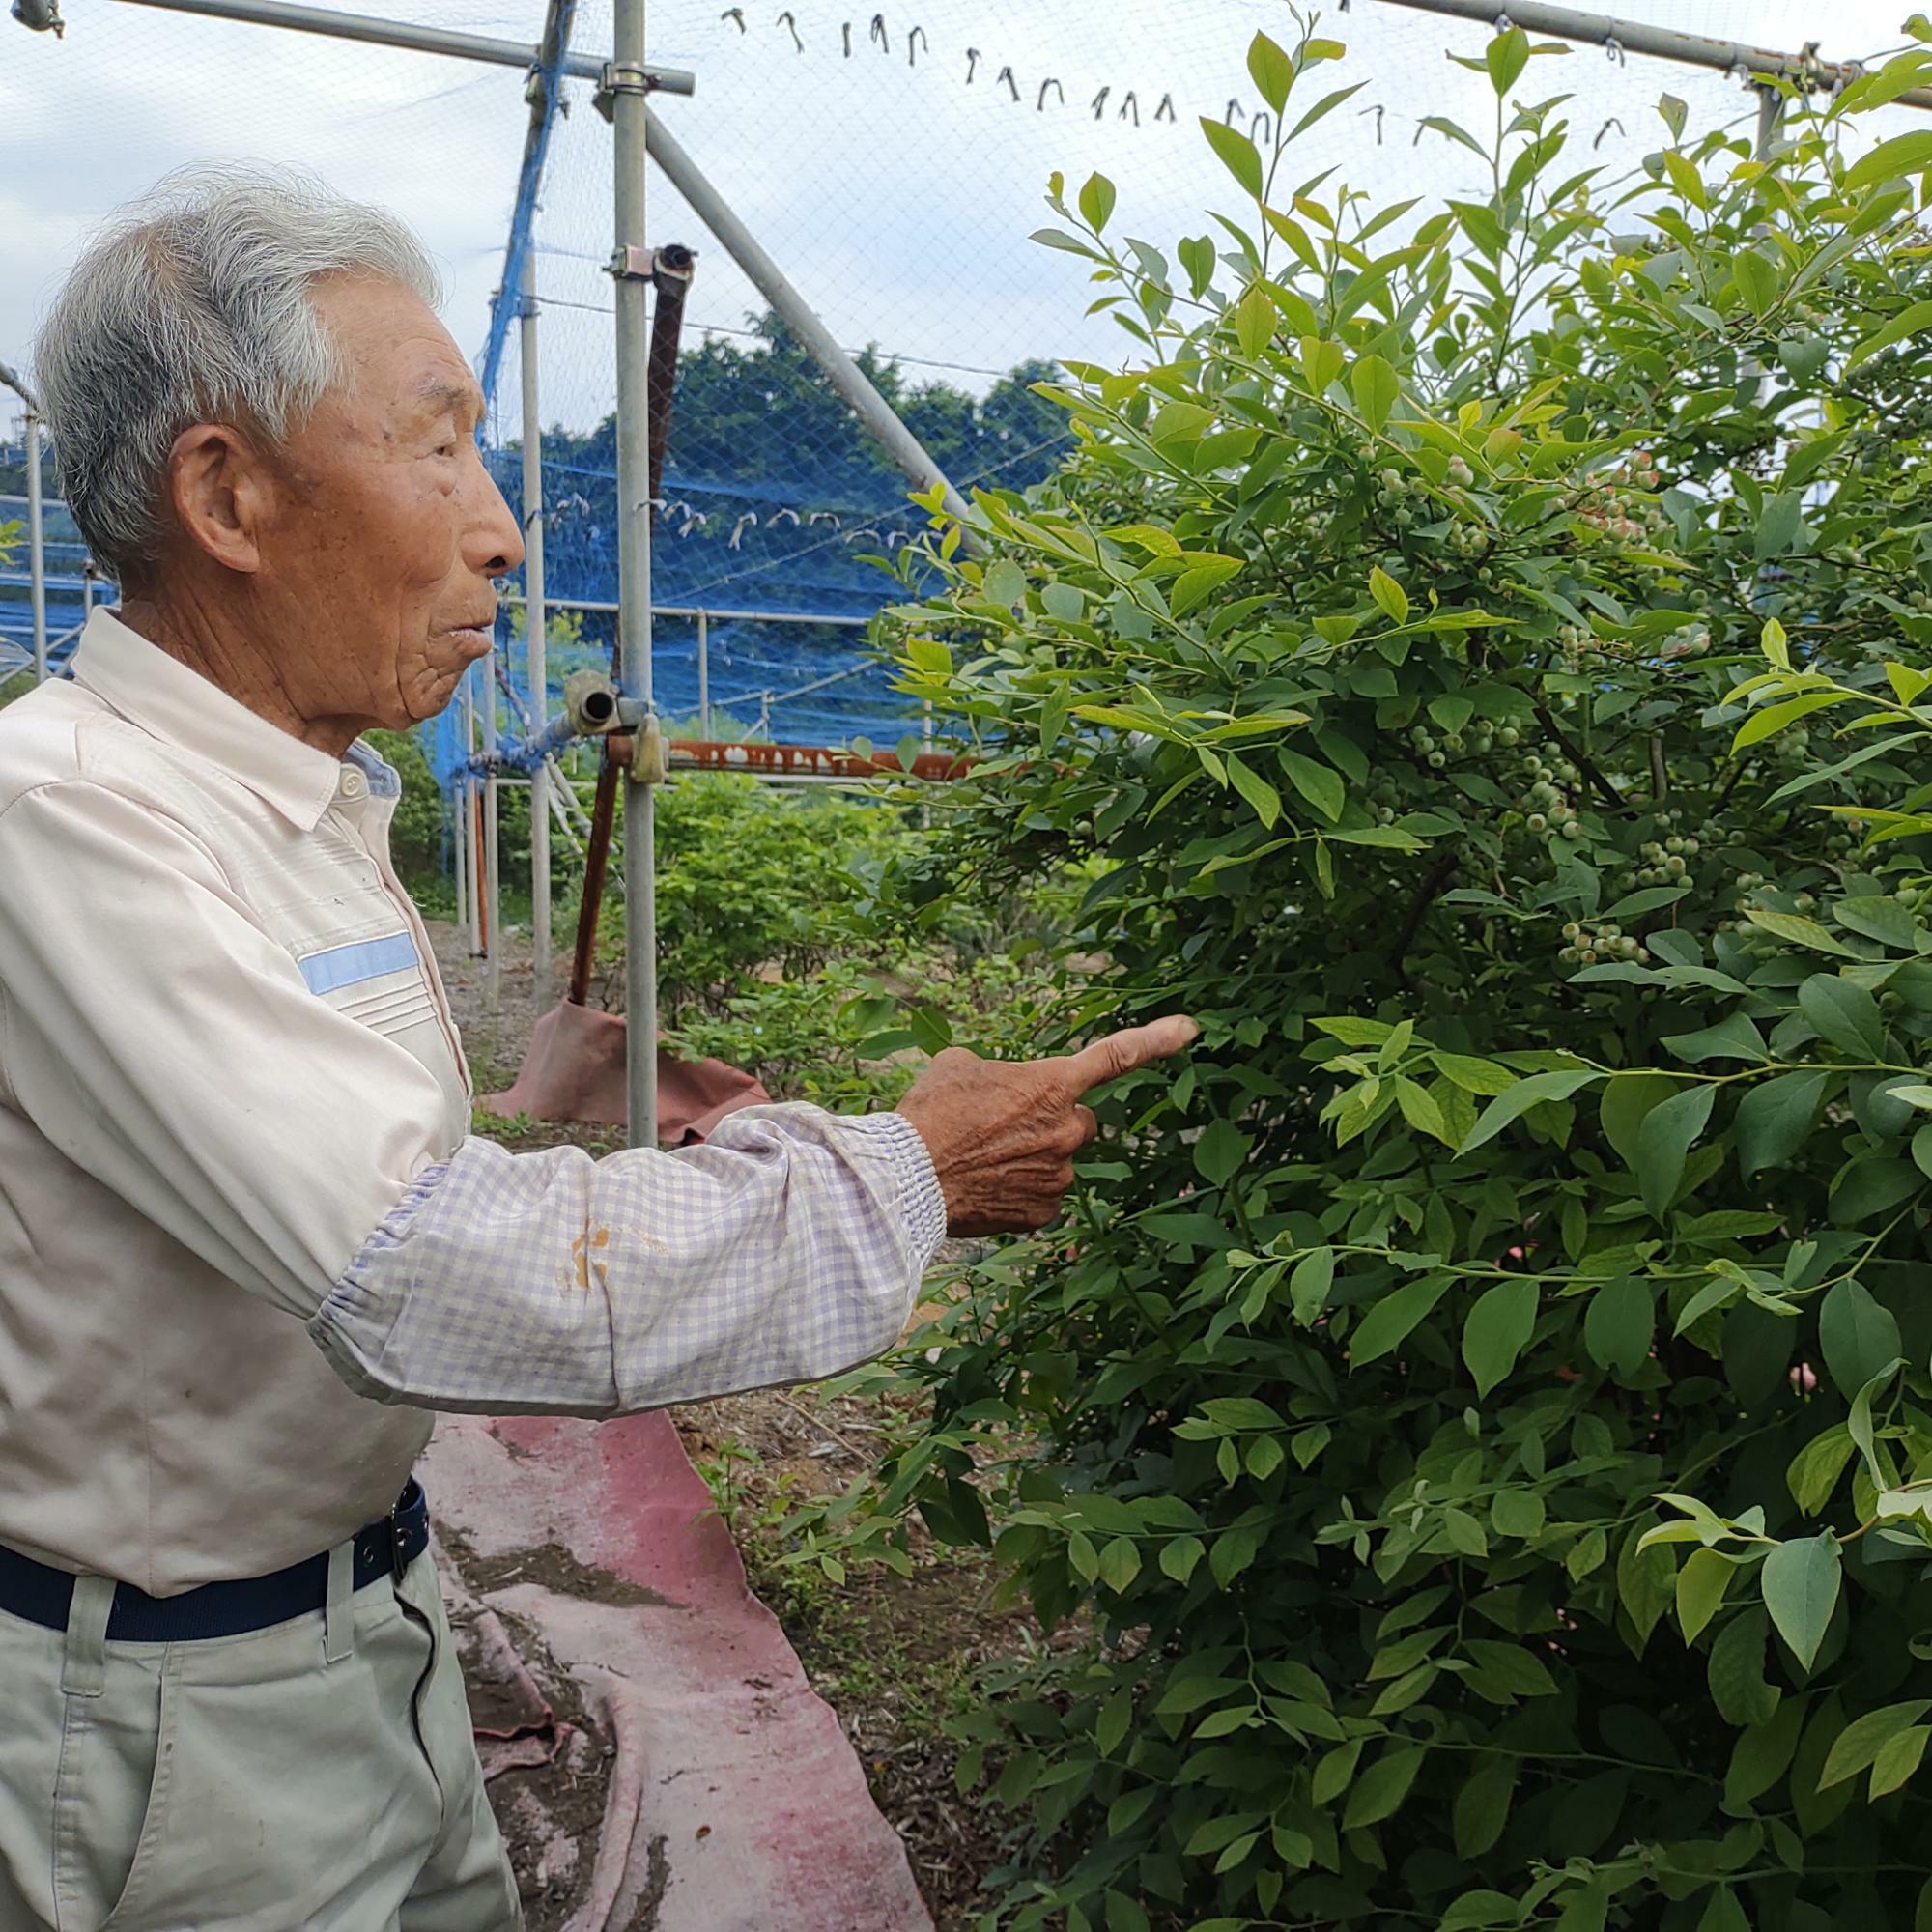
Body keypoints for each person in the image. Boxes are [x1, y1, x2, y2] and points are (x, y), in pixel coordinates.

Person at [0, 167, 1195, 1931]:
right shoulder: (67, 825)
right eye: (437, 448)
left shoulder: (293, 807)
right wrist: (898, 1167)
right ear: (225, 491)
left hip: (369, 1625)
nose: (500, 528)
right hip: (178, 1712)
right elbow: (424, 1265)